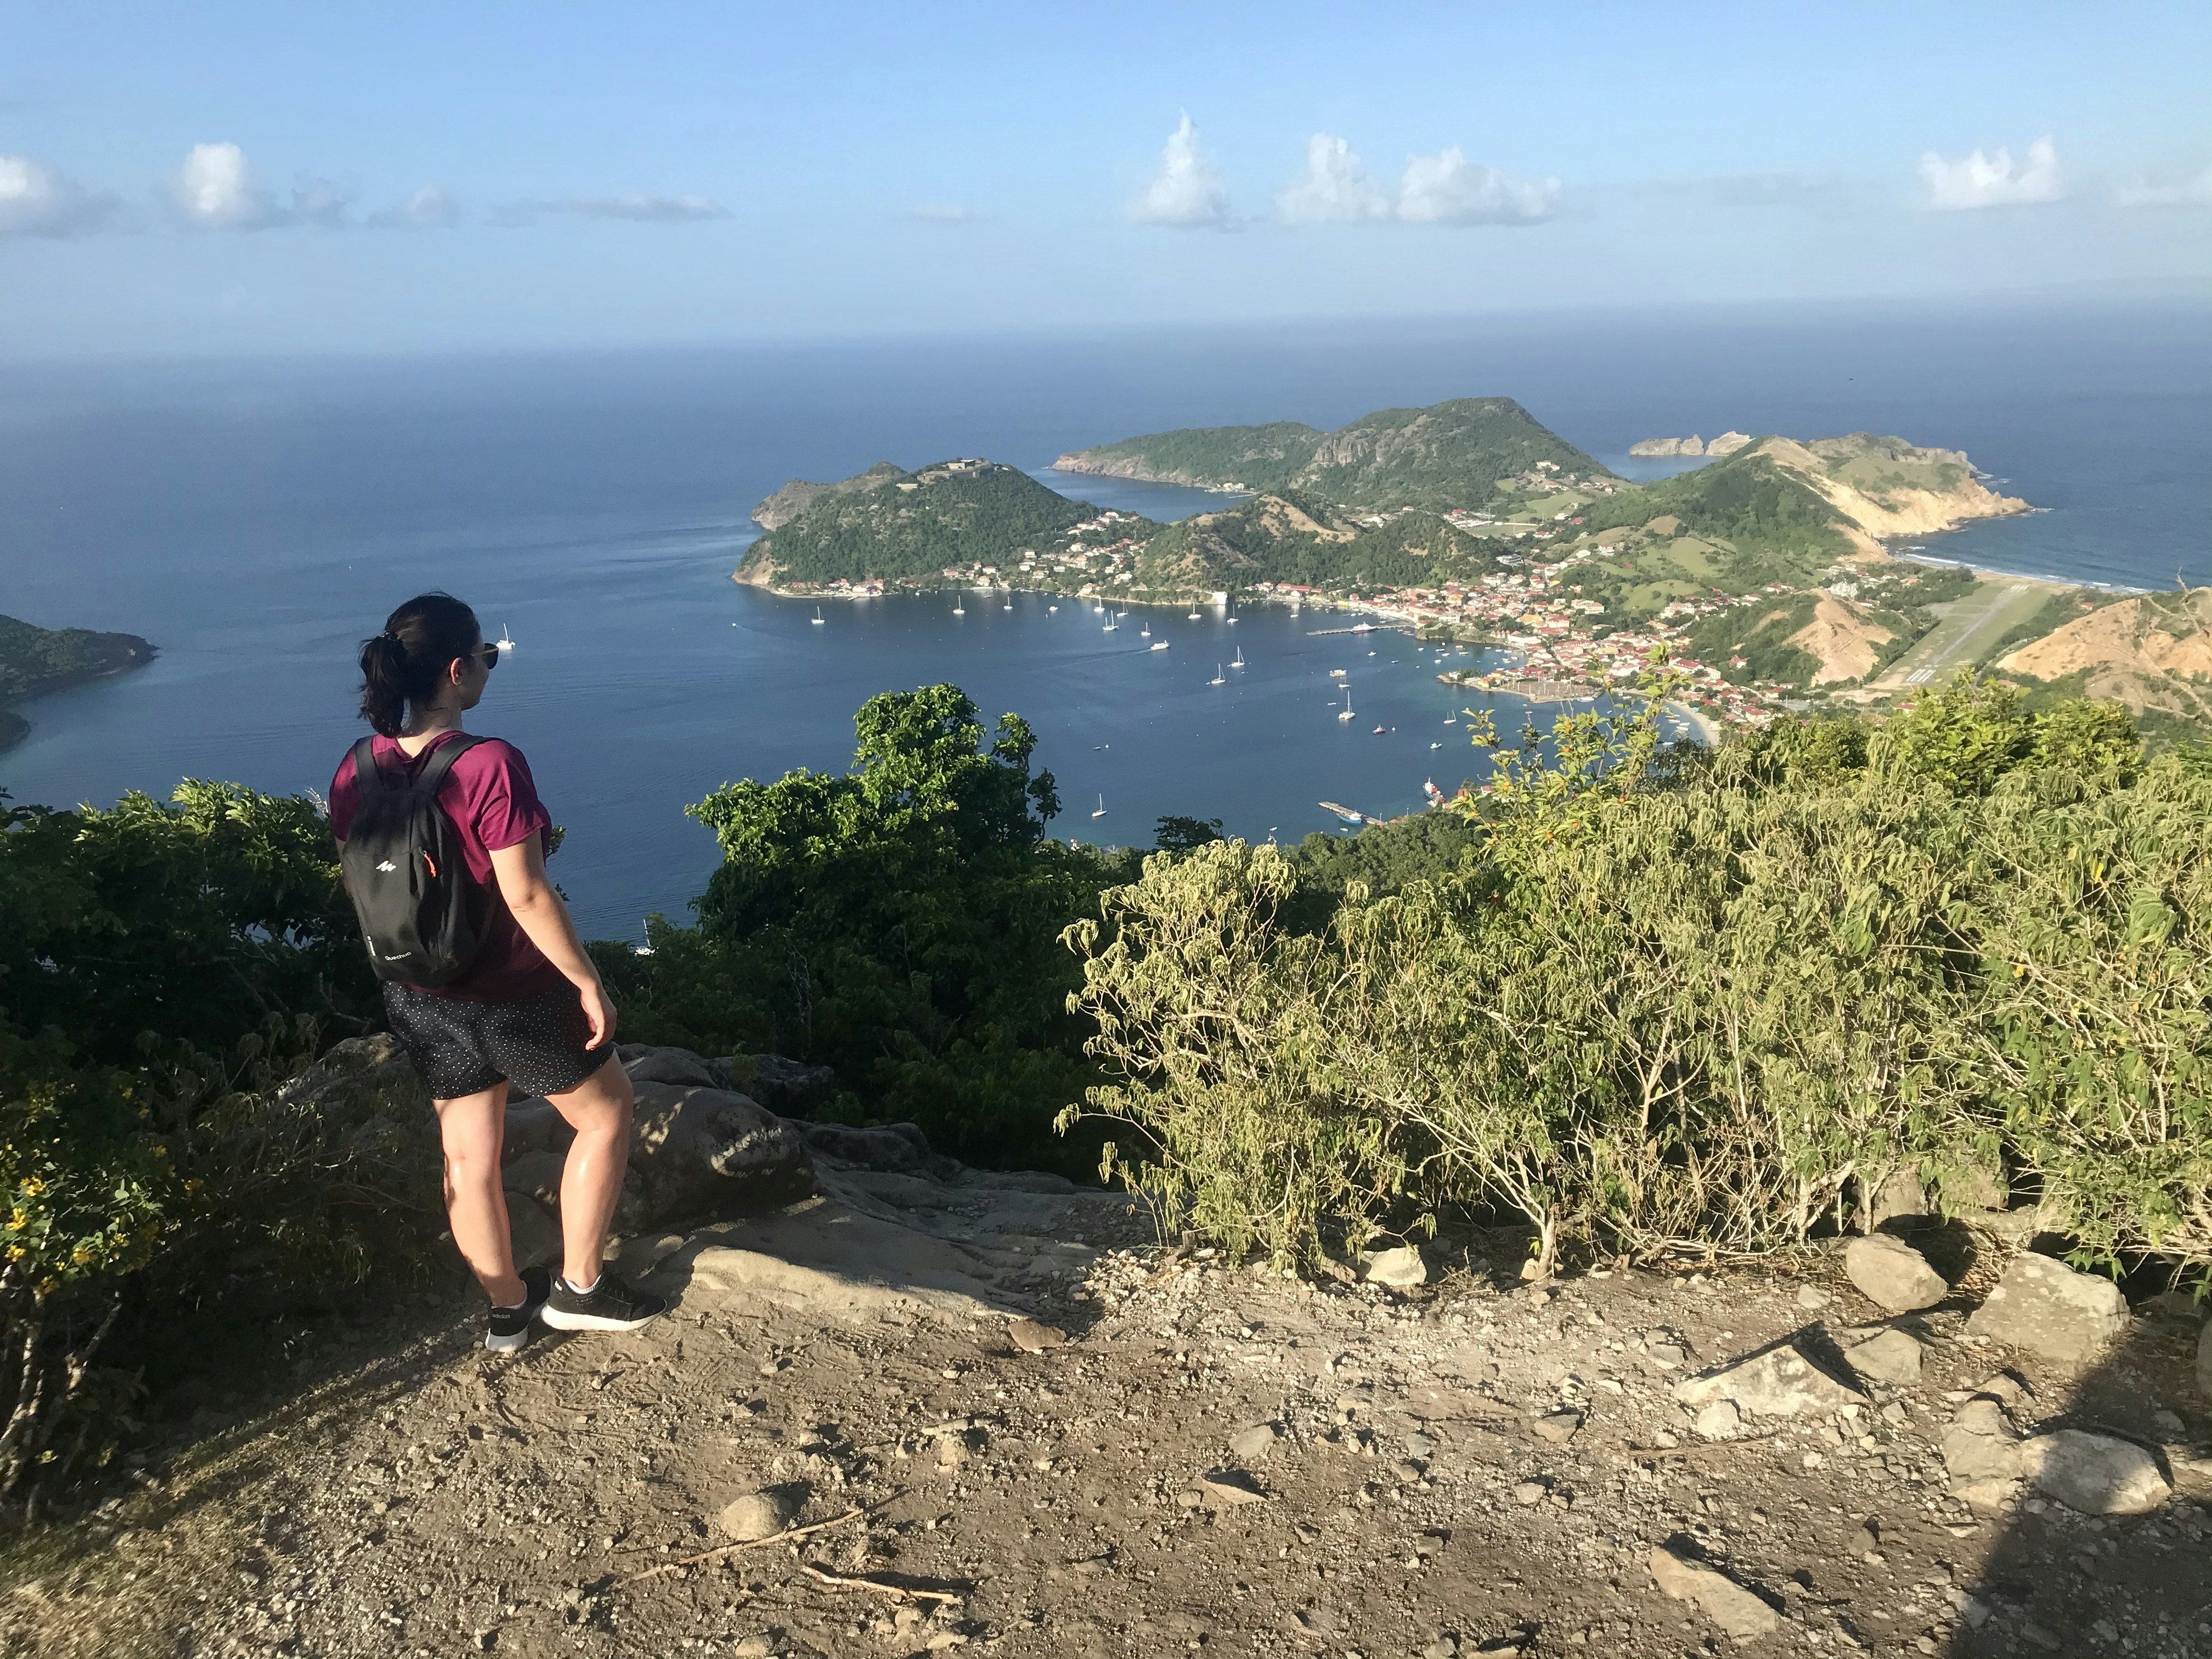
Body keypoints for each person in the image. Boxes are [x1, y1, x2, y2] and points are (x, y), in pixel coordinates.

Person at [330, 592, 665, 1350]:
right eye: (484, 657)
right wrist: (587, 980)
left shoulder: (355, 770)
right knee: (607, 1113)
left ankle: (508, 1310)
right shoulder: (488, 764)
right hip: (512, 994)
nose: (486, 669)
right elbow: (526, 892)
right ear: (456, 671)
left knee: (467, 1157)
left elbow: (363, 881)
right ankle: (581, 1287)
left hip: (417, 992)